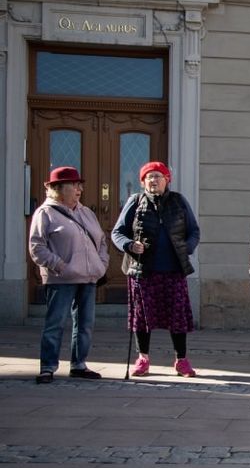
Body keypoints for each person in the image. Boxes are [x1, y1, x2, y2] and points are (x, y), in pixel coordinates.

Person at [112, 161, 200, 377]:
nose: (153, 180)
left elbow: (194, 231)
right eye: (148, 177)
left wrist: (186, 248)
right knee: (142, 318)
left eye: (158, 176)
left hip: (173, 270)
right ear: (142, 182)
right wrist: (130, 245)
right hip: (143, 271)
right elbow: (117, 233)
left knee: (177, 317)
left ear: (167, 180)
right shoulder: (135, 201)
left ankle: (181, 360)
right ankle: (143, 358)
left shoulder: (179, 201)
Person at [28, 166, 109, 384]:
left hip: (89, 277)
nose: (78, 189)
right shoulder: (45, 213)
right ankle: (47, 367)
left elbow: (101, 241)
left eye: (79, 185)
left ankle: (79, 365)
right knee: (55, 323)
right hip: (61, 279)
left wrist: (101, 265)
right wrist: (61, 267)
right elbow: (37, 247)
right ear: (58, 189)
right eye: (73, 185)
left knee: (85, 323)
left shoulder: (86, 212)